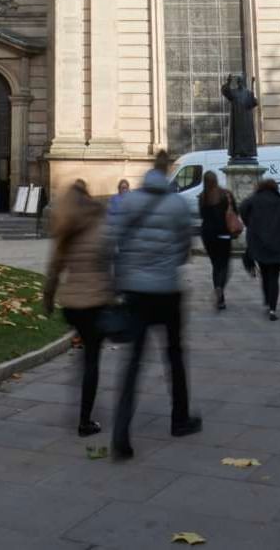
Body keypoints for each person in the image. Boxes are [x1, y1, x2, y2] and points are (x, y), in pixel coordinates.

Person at [108, 149, 201, 460]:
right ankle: (180, 419)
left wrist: (126, 274)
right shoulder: (178, 204)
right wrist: (165, 263)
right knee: (174, 356)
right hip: (166, 290)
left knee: (132, 363)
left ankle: (121, 434)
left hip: (135, 291)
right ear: (168, 172)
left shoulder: (130, 200)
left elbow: (115, 241)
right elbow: (185, 247)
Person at [42, 179, 114, 437]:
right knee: (92, 360)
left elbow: (54, 268)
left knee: (84, 352)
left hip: (72, 305)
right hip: (94, 302)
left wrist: (48, 298)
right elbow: (109, 263)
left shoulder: (66, 228)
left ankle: (79, 398)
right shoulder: (100, 225)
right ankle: (85, 420)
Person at [240, 178, 280, 321]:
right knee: (274, 276)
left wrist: (249, 222)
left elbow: (242, 208)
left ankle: (268, 300)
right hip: (277, 242)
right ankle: (273, 309)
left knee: (264, 272)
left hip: (259, 242)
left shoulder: (253, 199)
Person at [198, 171, 238, 309]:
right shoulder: (225, 194)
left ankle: (220, 298)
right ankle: (220, 288)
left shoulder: (203, 197)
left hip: (208, 235)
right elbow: (235, 212)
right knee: (225, 265)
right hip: (224, 234)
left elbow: (202, 215)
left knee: (215, 265)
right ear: (216, 179)